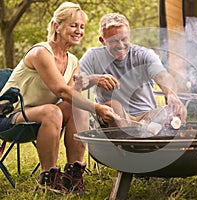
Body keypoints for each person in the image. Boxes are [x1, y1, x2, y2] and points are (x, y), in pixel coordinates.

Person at [0, 2, 116, 195]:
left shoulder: (73, 61)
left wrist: (95, 81)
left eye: (81, 27)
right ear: (57, 26)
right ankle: (48, 178)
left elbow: (72, 94)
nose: (78, 31)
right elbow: (61, 90)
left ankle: (74, 173)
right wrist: (97, 108)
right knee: (54, 110)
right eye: (73, 25)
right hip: (11, 117)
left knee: (74, 106)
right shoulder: (40, 52)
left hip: (41, 117)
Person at [79, 13, 186, 128]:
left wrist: (170, 93)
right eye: (113, 41)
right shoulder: (93, 56)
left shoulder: (144, 55)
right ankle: (130, 139)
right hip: (115, 117)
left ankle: (152, 139)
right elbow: (76, 84)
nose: (120, 45)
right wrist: (95, 79)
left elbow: (162, 76)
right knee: (113, 107)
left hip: (147, 117)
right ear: (102, 40)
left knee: (178, 110)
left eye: (124, 39)